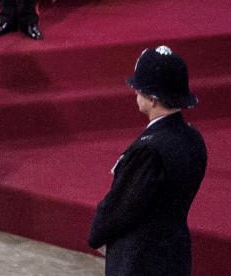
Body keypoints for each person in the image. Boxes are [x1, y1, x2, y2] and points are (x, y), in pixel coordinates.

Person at [88, 46, 207, 275]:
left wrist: (97, 235)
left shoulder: (149, 151)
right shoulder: (194, 138)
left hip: (140, 262)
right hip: (175, 255)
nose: (135, 93)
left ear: (153, 99)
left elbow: (122, 205)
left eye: (139, 89)